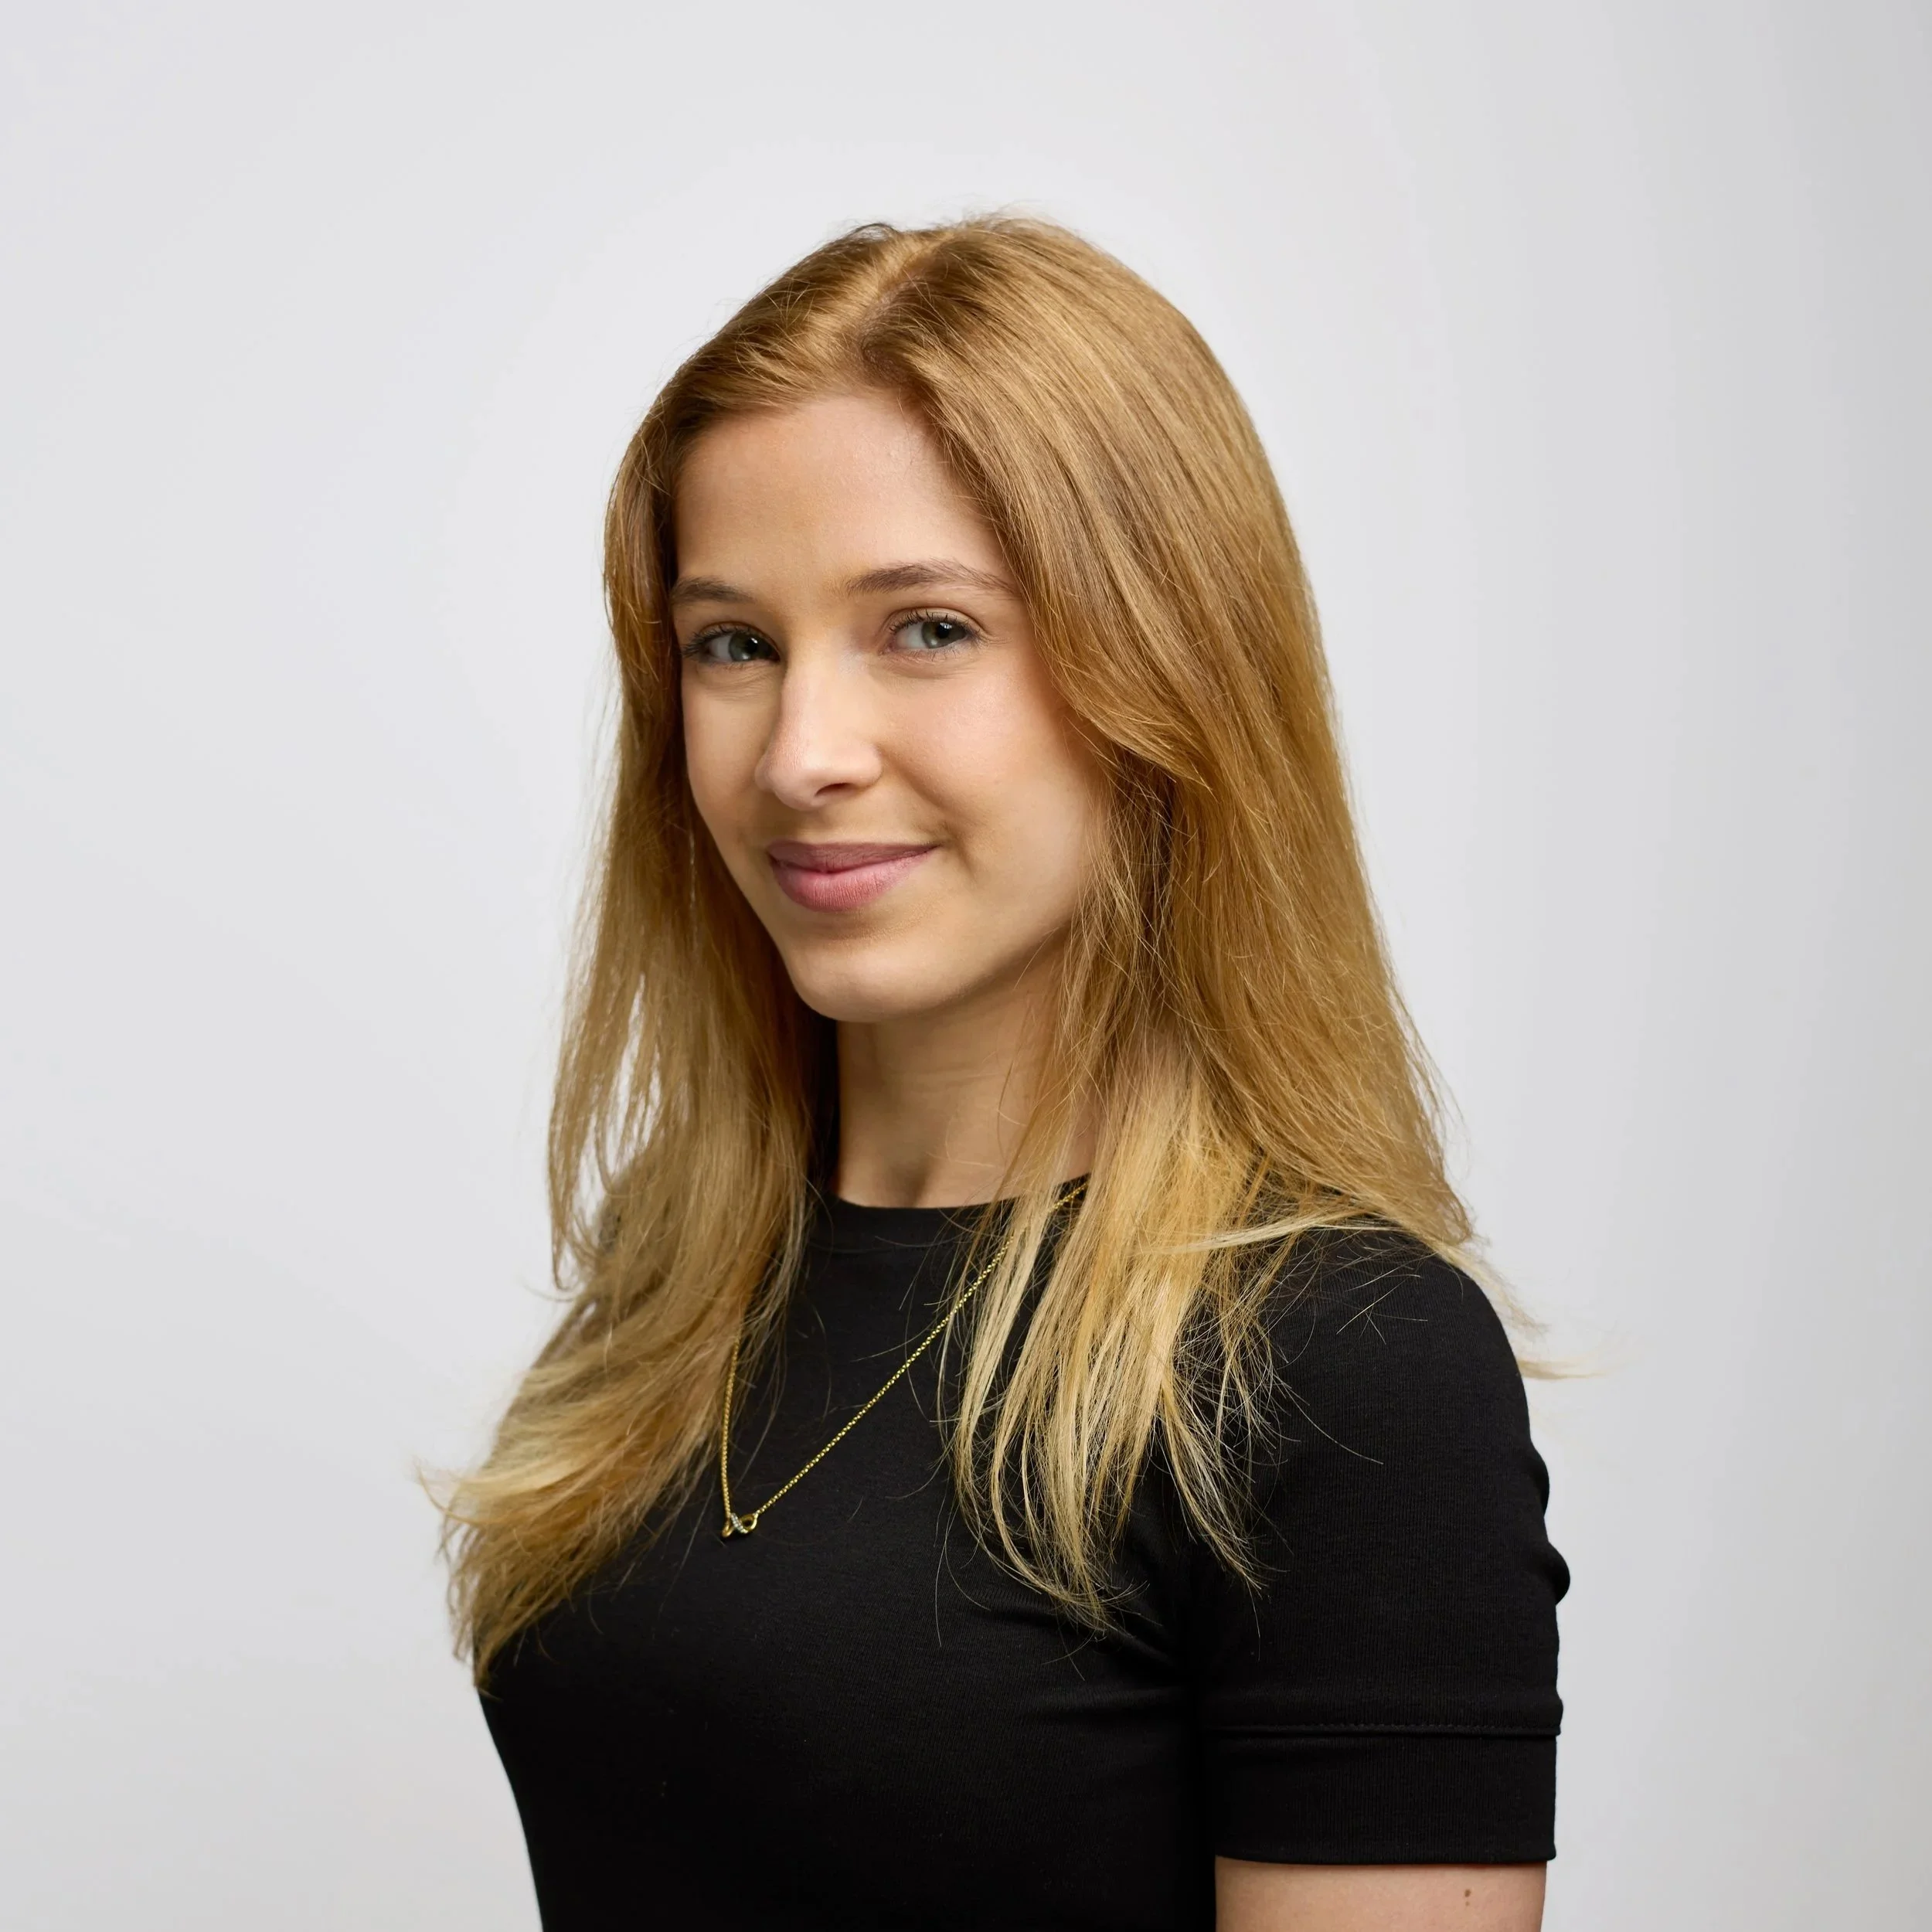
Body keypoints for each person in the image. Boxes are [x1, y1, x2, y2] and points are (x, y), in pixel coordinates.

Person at [441, 217, 1566, 1931]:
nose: (801, 754)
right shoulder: (677, 1278)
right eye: (732, 643)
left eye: (926, 629)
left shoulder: (1341, 1365)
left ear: (1166, 671)